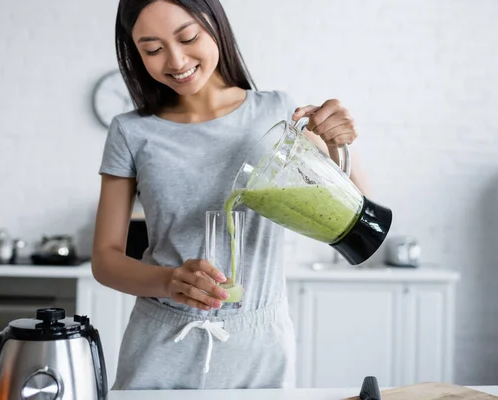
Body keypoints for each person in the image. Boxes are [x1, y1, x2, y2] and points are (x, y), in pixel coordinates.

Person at [92, 0, 372, 391]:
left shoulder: (277, 112)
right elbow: (105, 260)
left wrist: (341, 144)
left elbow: (358, 208)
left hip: (260, 348)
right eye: (152, 49)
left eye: (188, 37)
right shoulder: (130, 131)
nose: (175, 60)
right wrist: (170, 281)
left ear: (215, 24)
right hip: (162, 346)